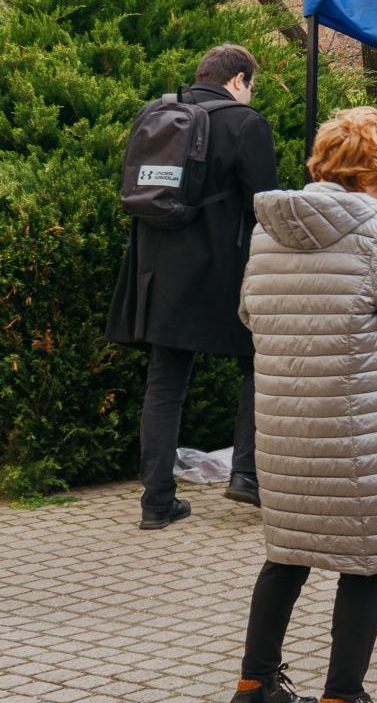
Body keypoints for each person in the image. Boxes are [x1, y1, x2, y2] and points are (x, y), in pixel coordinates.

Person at [229, 107, 377, 703]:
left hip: (286, 424)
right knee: (362, 560)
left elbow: (251, 316)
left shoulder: (268, 226)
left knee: (288, 553)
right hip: (364, 427)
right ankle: (343, 695)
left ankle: (254, 686)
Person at [106, 44, 279, 528]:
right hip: (224, 274)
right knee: (258, 366)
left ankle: (156, 503)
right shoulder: (247, 124)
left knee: (164, 385)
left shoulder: (157, 114)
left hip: (157, 272)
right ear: (239, 79)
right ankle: (246, 474)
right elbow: (265, 204)